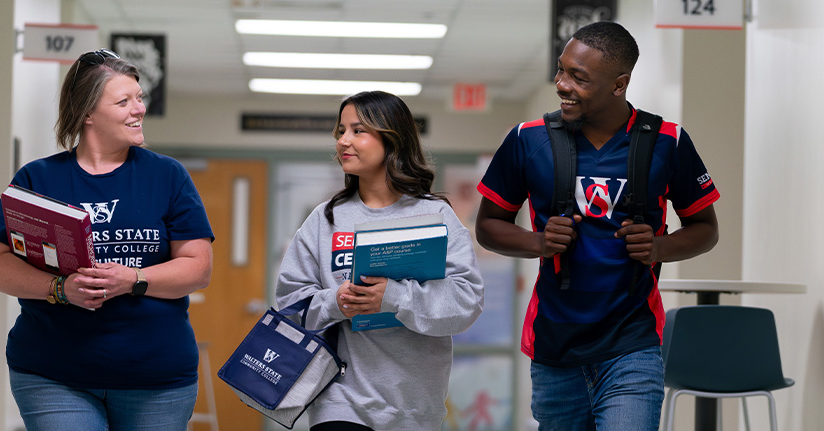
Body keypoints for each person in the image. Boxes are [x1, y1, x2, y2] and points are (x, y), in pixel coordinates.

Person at [475, 21, 719, 431]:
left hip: (632, 343)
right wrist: (538, 241)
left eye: (578, 77)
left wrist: (660, 248)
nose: (561, 84)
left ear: (619, 85)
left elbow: (705, 228)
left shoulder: (667, 141)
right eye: (561, 70)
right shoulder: (527, 139)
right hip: (555, 346)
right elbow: (488, 225)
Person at [0, 49, 214, 431]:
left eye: (139, 97)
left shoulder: (168, 176)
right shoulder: (38, 179)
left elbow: (198, 268)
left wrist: (133, 279)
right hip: (53, 374)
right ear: (88, 113)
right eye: (124, 101)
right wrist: (59, 288)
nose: (139, 109)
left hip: (156, 379)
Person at [275, 90, 484, 431]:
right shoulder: (325, 220)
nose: (344, 141)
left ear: (392, 138)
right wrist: (336, 300)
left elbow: (466, 302)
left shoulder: (436, 216)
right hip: (339, 400)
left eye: (358, 131)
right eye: (340, 131)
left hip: (415, 407)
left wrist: (393, 296)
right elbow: (289, 304)